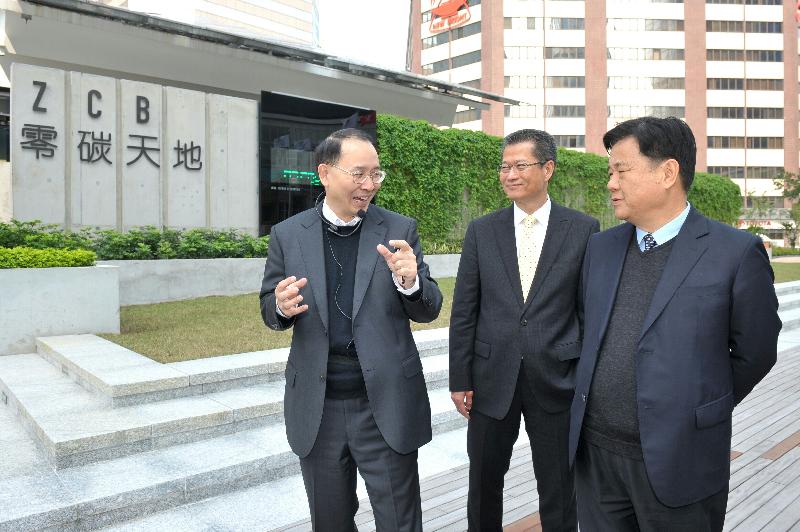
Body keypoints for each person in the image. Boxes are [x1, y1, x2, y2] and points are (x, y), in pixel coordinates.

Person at [569, 116, 781, 531]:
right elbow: (587, 332)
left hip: (681, 458)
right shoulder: (600, 248)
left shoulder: (735, 253)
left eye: (621, 170)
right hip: (596, 460)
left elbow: (756, 352)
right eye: (610, 171)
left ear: (668, 172)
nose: (610, 183)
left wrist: (695, 407)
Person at [259, 128, 443, 532]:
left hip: (385, 404)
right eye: (359, 173)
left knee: (399, 521)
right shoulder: (288, 235)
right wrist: (280, 307)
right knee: (330, 522)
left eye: (376, 175)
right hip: (318, 406)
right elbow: (269, 307)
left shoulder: (399, 229)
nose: (369, 184)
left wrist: (411, 282)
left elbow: (428, 308)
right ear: (325, 173)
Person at [449, 129, 600, 531]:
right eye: (504, 166)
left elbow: (588, 311)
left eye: (520, 165)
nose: (509, 174)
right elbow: (465, 310)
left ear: (547, 169)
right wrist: (460, 377)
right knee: (482, 484)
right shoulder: (482, 230)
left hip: (556, 379)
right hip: (489, 378)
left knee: (558, 487)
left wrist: (582, 376)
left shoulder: (583, 229)